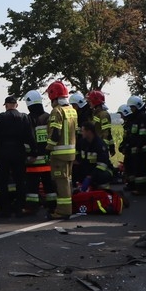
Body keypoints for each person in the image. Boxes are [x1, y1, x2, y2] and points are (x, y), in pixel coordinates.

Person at [0, 95, 32, 217]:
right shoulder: (24, 117)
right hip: (19, 152)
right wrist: (34, 152)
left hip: (3, 152)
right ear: (17, 105)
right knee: (20, 181)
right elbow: (30, 136)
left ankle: (5, 209)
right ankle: (19, 208)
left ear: (6, 105)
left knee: (3, 182)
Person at [45, 81, 80, 219]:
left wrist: (48, 148)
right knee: (67, 181)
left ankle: (63, 211)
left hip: (59, 154)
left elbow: (55, 133)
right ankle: (67, 207)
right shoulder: (72, 110)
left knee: (61, 182)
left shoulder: (57, 111)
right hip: (70, 153)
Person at [22, 89, 57, 216]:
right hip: (48, 160)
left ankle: (32, 208)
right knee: (49, 186)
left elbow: (27, 139)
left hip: (34, 161)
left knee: (32, 187)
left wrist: (28, 155)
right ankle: (53, 207)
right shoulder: (48, 117)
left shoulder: (28, 119)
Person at [121, 95, 146, 194]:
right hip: (138, 148)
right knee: (139, 168)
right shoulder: (137, 118)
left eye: (133, 107)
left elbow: (143, 135)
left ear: (138, 106)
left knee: (140, 170)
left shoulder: (143, 118)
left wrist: (138, 147)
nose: (131, 109)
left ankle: (141, 189)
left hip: (142, 148)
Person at [75, 121, 113, 192]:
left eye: (83, 131)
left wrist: (90, 176)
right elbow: (78, 154)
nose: (81, 133)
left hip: (100, 170)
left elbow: (102, 165)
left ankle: (105, 192)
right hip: (87, 169)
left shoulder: (100, 145)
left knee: (102, 175)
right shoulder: (82, 142)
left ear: (89, 132)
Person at [87, 90, 115, 157]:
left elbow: (106, 132)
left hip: (100, 148)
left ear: (95, 101)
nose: (89, 103)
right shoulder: (95, 114)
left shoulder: (103, 114)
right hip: (94, 146)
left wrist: (103, 146)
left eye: (90, 101)